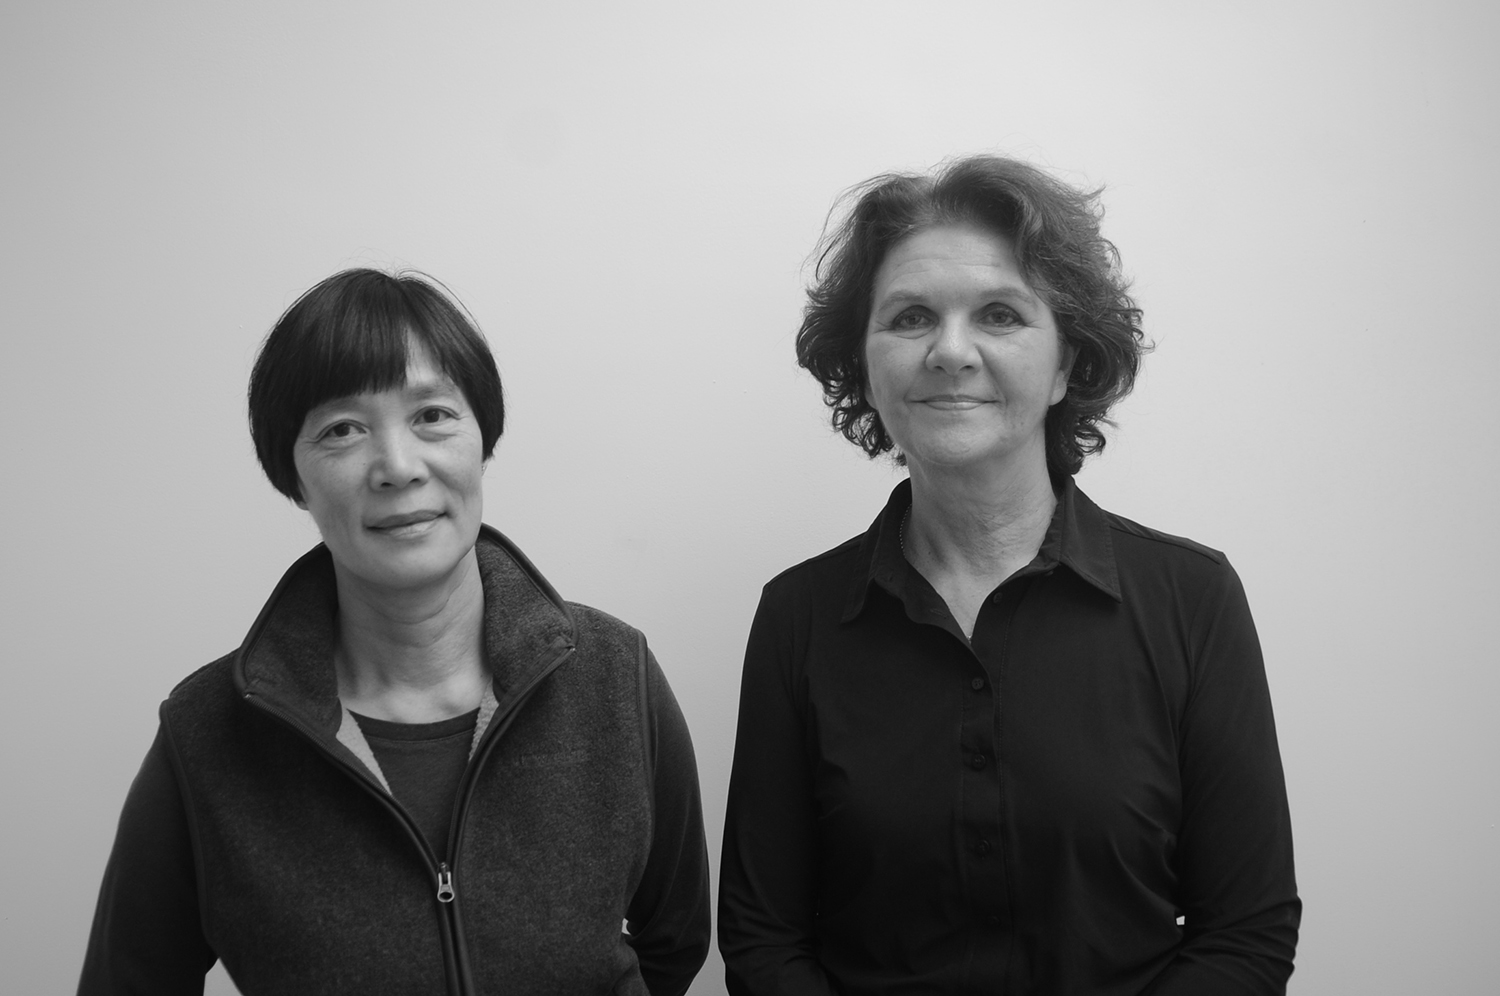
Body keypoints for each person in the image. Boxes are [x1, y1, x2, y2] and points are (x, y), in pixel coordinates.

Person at [718, 156, 1300, 994]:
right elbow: (764, 939)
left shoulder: (1192, 599)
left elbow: (1246, 935)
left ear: (1067, 364)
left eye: (999, 314)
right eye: (911, 317)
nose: (951, 352)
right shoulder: (797, 616)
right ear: (865, 366)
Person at [79, 269, 711, 995]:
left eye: (433, 415)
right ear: (294, 477)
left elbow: (675, 938)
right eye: (342, 430)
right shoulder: (207, 732)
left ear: (483, 437)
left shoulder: (614, 676)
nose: (399, 467)